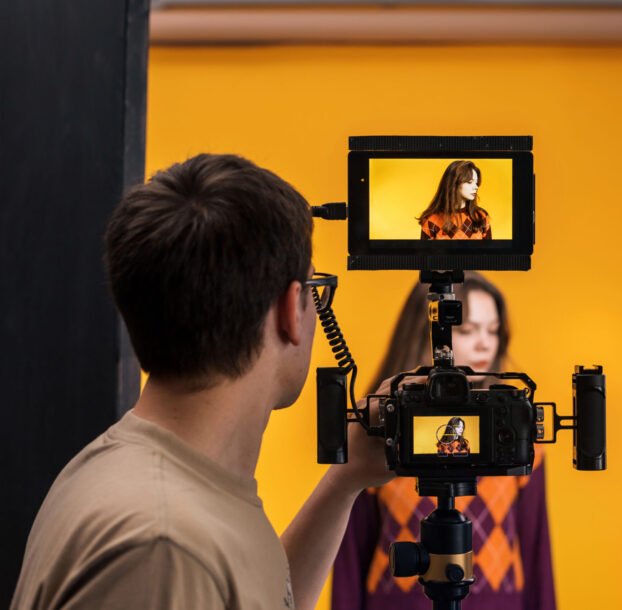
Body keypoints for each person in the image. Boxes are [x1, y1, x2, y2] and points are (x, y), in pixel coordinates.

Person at [12, 154, 394, 610]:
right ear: (292, 310)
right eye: (316, 290)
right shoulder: (164, 546)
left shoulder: (172, 490)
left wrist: (345, 480)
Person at [332, 272, 557, 610]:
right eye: (467, 330)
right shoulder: (378, 432)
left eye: (493, 330)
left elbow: (538, 555)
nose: (485, 343)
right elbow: (348, 559)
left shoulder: (523, 438)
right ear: (425, 331)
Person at [418, 160, 492, 240]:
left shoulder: (481, 216)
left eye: (476, 183)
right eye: (470, 182)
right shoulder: (431, 219)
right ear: (454, 183)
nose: (476, 187)